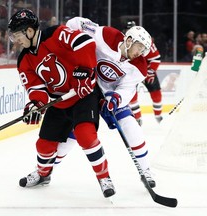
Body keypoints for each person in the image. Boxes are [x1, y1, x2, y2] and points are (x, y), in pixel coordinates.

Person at [8, 9, 115, 198]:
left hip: (83, 94)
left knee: (85, 135)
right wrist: (35, 106)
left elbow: (86, 42)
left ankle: (104, 177)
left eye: (17, 35)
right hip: (59, 100)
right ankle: (43, 175)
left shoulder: (55, 34)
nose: (16, 40)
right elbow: (36, 88)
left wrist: (85, 71)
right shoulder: (24, 60)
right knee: (43, 145)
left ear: (30, 31)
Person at [62, 17, 156, 189]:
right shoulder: (106, 35)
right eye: (139, 47)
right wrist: (68, 39)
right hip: (89, 87)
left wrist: (116, 99)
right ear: (129, 40)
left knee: (131, 126)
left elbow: (127, 88)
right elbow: (76, 23)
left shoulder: (139, 66)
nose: (140, 53)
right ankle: (47, 168)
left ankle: (146, 170)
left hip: (110, 95)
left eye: (143, 50)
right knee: (77, 131)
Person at [125, 21, 163, 125]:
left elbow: (156, 58)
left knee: (156, 94)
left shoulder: (146, 40)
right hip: (132, 72)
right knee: (131, 95)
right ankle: (137, 118)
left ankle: (158, 116)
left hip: (147, 72)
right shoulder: (123, 40)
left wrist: (150, 72)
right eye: (128, 29)